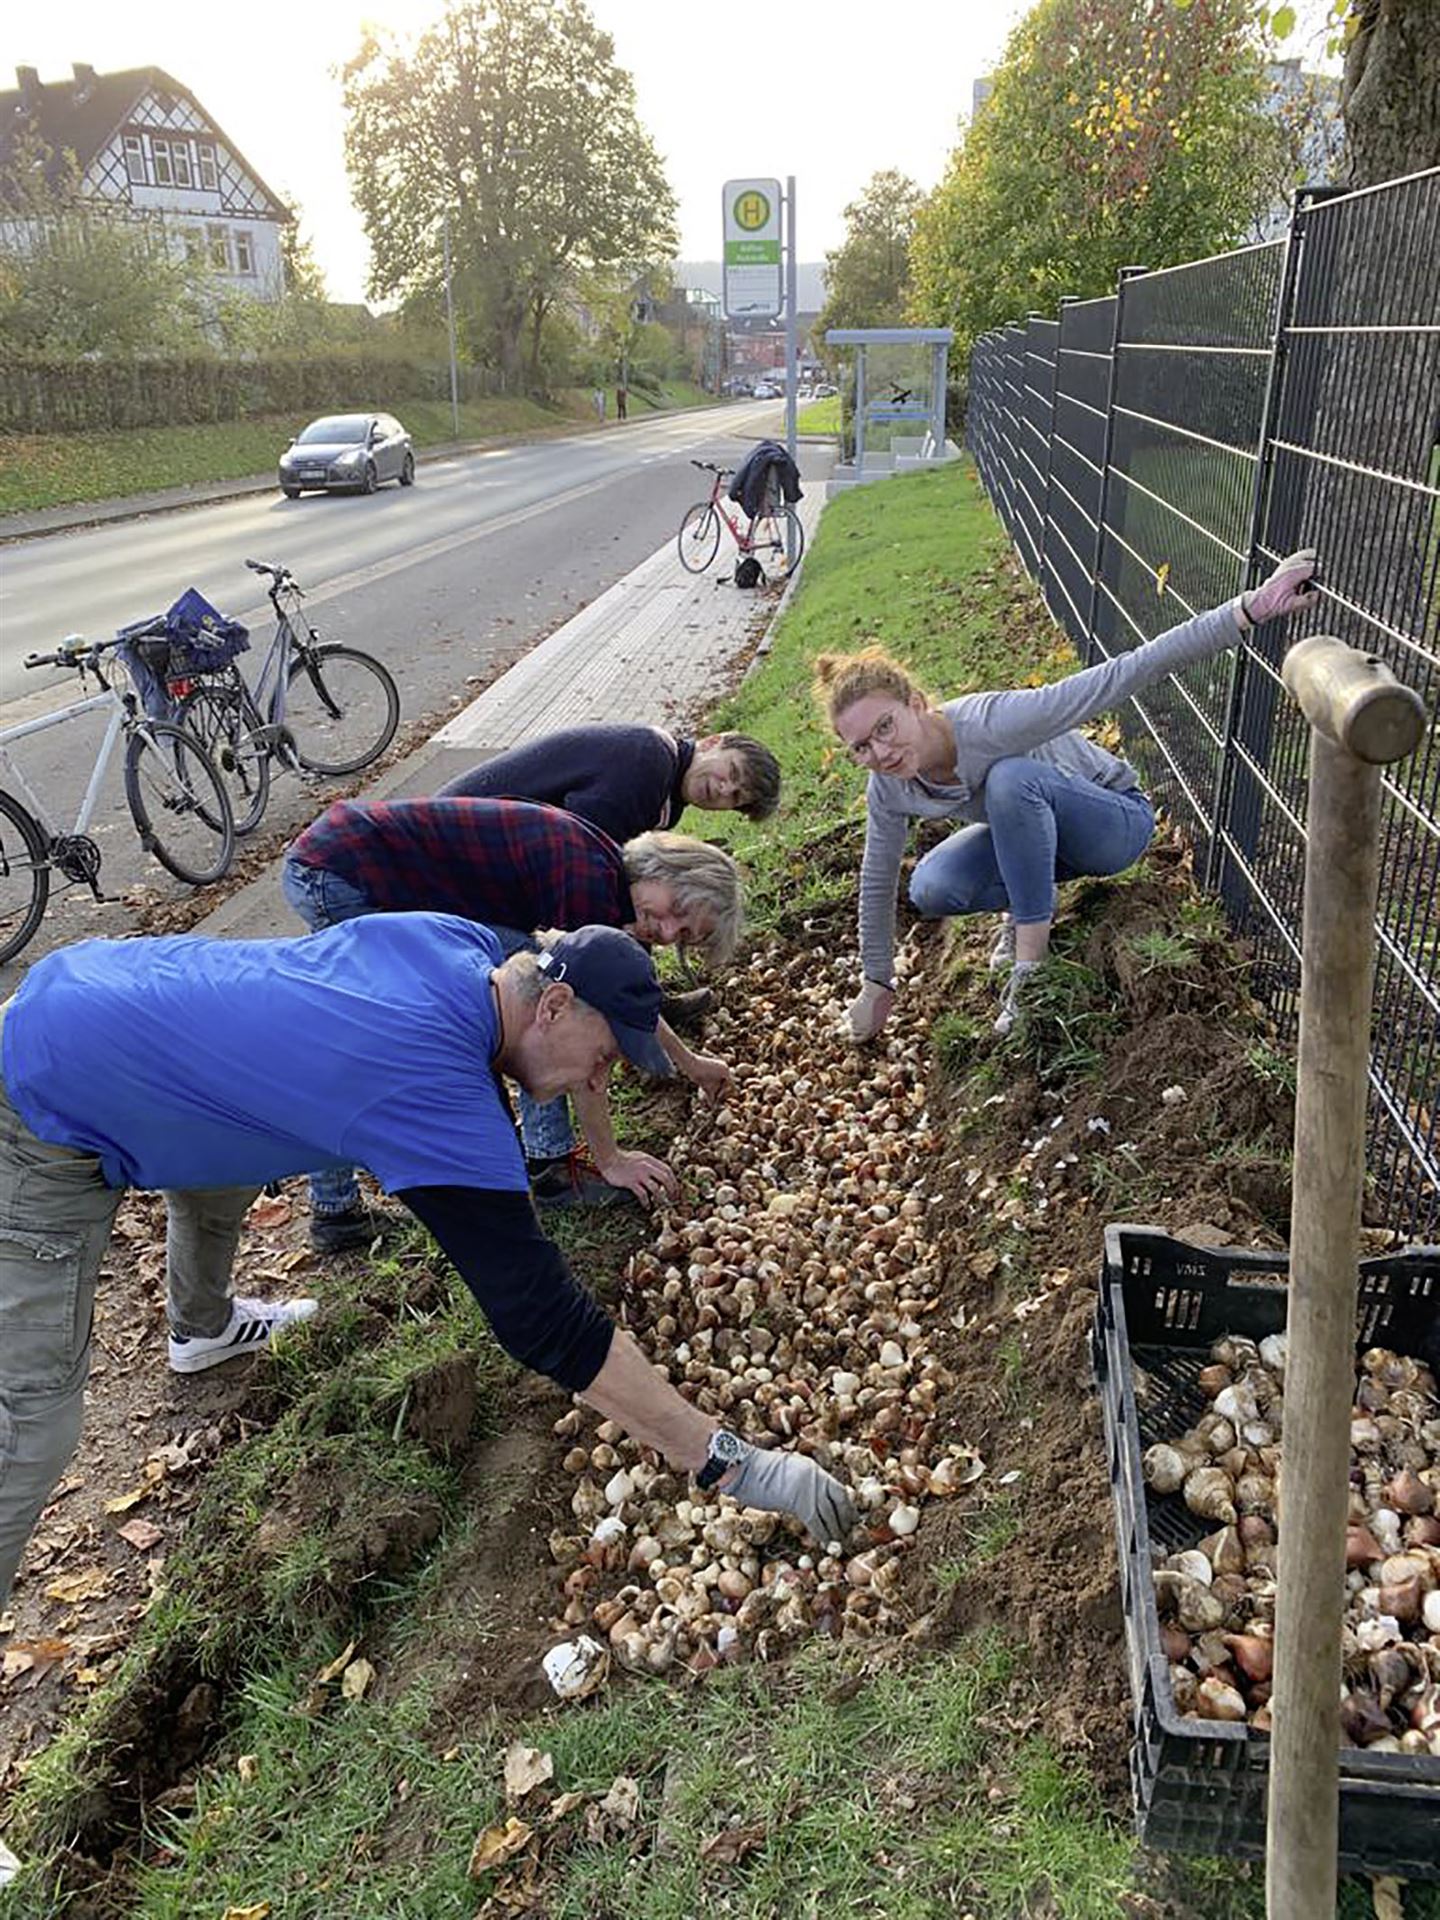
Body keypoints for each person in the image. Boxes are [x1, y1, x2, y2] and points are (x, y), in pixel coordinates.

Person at [0, 917, 856, 1609]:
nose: (597, 1080)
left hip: (117, 989)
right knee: (34, 1424)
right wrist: (729, 1461)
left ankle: (203, 1327)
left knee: (234, 1135)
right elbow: (543, 1320)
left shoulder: (468, 950)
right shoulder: (432, 1088)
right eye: (602, 1057)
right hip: (40, 1103)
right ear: (555, 1006)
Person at [816, 551, 1320, 1040]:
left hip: (1112, 824)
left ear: (916, 704)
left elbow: (1126, 671)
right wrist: (877, 983)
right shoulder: (889, 786)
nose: (880, 752)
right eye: (861, 747)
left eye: (885, 727)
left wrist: (1250, 608)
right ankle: (1029, 901)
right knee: (931, 885)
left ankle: (1030, 971)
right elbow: (877, 879)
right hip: (1039, 836)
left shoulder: (993, 722)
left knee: (1010, 780)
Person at [283, 797, 741, 1243]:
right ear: (663, 869)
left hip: (347, 856)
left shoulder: (607, 877)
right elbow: (583, 1025)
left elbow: (623, 1005)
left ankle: (337, 1210)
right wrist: (611, 1159)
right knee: (361, 1033)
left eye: (683, 935)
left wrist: (691, 1064)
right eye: (676, 911)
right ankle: (548, 1166)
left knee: (520, 984)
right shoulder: (591, 883)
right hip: (345, 870)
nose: (666, 931)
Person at [435, 725, 781, 1029]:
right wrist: (630, 983)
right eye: (730, 772)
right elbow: (600, 881)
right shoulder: (647, 763)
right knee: (541, 978)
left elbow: (619, 889)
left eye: (735, 797)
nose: (723, 790)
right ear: (712, 742)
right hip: (450, 864)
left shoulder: (664, 783)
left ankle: (641, 1007)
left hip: (488, 872)